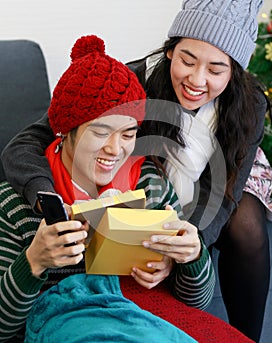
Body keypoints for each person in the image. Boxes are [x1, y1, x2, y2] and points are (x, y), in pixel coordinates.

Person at [1, 1, 272, 342]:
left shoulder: (154, 184)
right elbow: (32, 139)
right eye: (187, 60)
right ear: (170, 51)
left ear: (234, 72)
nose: (197, 79)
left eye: (216, 70)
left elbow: (216, 206)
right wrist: (42, 209)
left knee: (245, 225)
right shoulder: (125, 82)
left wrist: (187, 253)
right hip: (82, 277)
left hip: (220, 175)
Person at [0, 35, 215, 343]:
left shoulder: (151, 186)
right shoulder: (16, 206)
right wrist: (34, 262)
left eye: (128, 134)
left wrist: (191, 257)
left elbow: (197, 302)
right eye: (101, 131)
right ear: (64, 131)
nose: (116, 149)